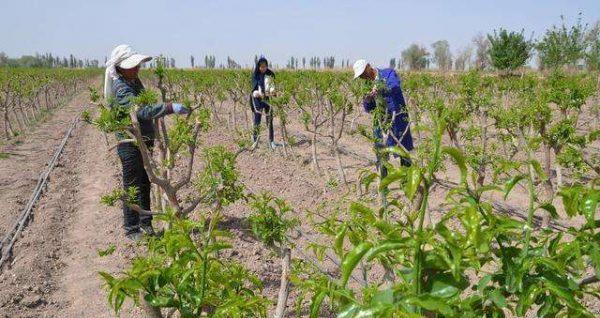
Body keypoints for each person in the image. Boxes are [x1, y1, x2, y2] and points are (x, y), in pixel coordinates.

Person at [104, 44, 189, 241]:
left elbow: (146, 105)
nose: (137, 68)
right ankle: (132, 228)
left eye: (137, 65)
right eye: (133, 66)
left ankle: (145, 223)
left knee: (145, 181)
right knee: (132, 184)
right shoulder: (121, 88)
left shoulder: (134, 81)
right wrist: (169, 107)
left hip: (143, 140)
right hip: (130, 143)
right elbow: (141, 111)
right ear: (120, 68)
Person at [352, 59, 414, 178]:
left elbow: (394, 85)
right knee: (381, 153)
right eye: (361, 76)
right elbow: (368, 108)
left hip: (397, 119)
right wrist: (368, 99)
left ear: (369, 67)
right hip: (380, 122)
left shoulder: (388, 73)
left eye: (363, 73)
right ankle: (383, 186)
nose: (363, 77)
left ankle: (408, 183)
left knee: (403, 151)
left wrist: (380, 89)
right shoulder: (367, 85)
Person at [250, 56, 276, 150]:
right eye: (261, 66)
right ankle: (255, 140)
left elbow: (273, 86)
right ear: (258, 66)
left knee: (270, 120)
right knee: (257, 120)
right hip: (258, 100)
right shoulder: (255, 75)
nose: (263, 68)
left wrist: (272, 91)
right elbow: (253, 90)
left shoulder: (270, 74)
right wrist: (257, 93)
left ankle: (271, 141)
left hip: (268, 100)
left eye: (265, 66)